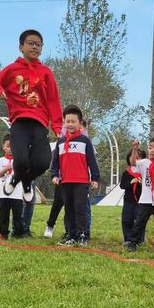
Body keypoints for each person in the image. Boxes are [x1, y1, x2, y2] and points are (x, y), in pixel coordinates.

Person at [0, 29, 62, 203]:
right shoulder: (12, 69)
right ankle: (19, 178)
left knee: (43, 162)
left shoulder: (46, 72)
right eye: (30, 43)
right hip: (19, 121)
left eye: (38, 44)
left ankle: (24, 180)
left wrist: (57, 126)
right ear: (21, 47)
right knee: (21, 160)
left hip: (40, 123)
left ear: (41, 48)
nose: (34, 47)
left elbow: (53, 100)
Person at [50, 105, 100, 246]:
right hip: (65, 181)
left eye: (73, 121)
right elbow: (55, 162)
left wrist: (95, 178)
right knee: (69, 209)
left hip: (81, 182)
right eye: (67, 121)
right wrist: (54, 175)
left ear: (79, 123)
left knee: (80, 208)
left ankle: (82, 235)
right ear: (64, 123)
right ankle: (71, 235)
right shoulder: (60, 142)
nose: (70, 124)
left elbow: (91, 160)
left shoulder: (85, 141)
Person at [0, 134, 25, 239]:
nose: (10, 149)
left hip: (17, 193)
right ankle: (3, 233)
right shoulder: (1, 160)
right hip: (4, 194)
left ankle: (18, 233)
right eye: (8, 146)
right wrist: (7, 167)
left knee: (17, 215)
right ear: (3, 146)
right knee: (4, 215)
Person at [119, 147, 146, 246]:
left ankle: (140, 239)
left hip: (141, 201)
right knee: (127, 219)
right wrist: (131, 182)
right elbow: (122, 186)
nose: (135, 159)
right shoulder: (127, 172)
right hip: (128, 201)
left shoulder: (144, 173)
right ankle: (127, 238)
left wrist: (141, 183)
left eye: (138, 158)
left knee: (139, 220)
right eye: (133, 157)